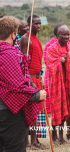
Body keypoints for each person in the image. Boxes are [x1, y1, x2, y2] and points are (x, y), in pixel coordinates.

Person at [0, 16, 46, 152]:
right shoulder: (9, 54)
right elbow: (17, 86)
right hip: (9, 112)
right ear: (13, 34)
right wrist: (37, 95)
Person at [44, 24, 70, 144]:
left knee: (67, 109)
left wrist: (69, 58)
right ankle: (55, 135)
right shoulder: (51, 48)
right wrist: (60, 61)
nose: (66, 37)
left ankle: (64, 135)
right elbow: (49, 64)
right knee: (57, 109)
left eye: (68, 35)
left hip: (68, 83)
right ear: (57, 36)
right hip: (56, 84)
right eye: (63, 35)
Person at [20, 15, 46, 149]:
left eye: (39, 23)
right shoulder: (26, 39)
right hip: (29, 78)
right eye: (35, 24)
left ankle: (35, 141)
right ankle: (29, 142)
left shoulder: (37, 39)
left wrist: (39, 78)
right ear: (29, 24)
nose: (38, 26)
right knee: (30, 110)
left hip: (37, 77)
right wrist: (30, 80)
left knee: (36, 111)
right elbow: (23, 63)